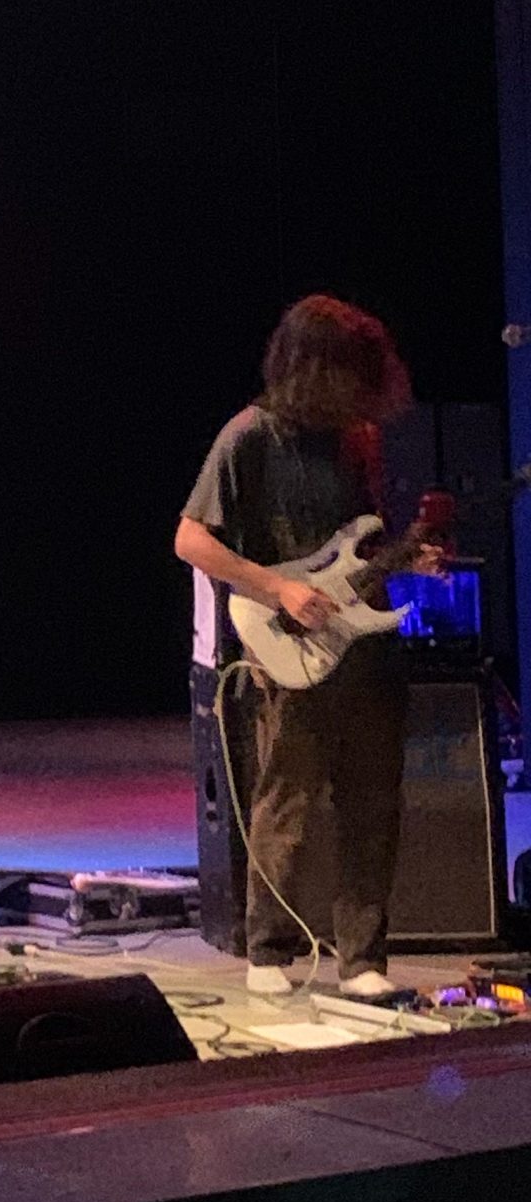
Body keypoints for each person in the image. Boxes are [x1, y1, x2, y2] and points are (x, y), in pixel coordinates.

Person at [175, 295, 426, 1001]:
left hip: (365, 648)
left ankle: (363, 959)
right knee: (287, 798)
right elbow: (191, 539)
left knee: (374, 803)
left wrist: (411, 558)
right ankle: (267, 948)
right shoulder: (249, 436)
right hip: (289, 649)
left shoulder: (358, 439)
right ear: (317, 369)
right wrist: (277, 591)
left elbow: (357, 550)